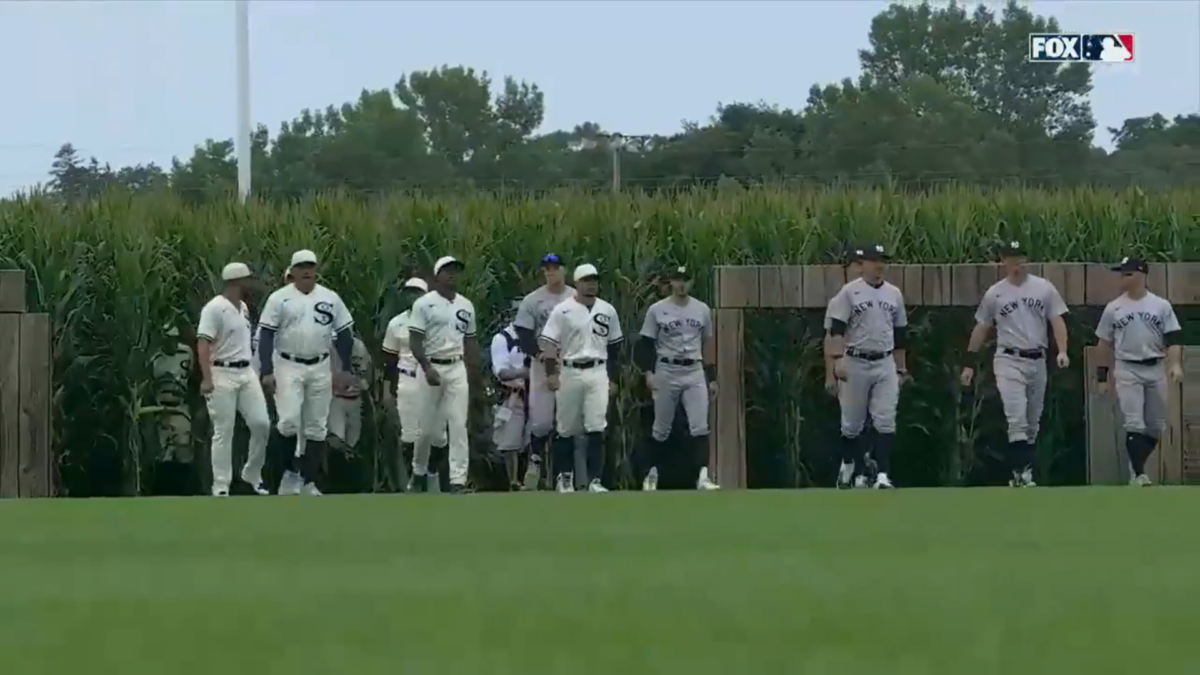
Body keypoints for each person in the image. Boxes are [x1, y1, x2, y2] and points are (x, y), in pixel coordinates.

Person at [961, 241, 1069, 488]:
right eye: (1011, 259)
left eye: (1020, 258)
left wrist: (1062, 351)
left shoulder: (1043, 288)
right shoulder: (995, 293)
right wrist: (969, 363)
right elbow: (982, 327)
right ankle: (1022, 472)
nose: (1016, 264)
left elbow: (1057, 321)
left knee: (1032, 422)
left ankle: (1021, 472)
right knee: (1017, 416)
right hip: (1008, 359)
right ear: (1003, 262)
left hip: (1037, 359)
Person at [257, 249, 357, 497]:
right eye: (301, 267)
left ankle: (310, 481)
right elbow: (266, 335)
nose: (306, 271)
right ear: (292, 271)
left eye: (310, 266)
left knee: (316, 426)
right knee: (289, 421)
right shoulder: (279, 298)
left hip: (320, 365)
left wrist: (344, 369)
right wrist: (267, 371)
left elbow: (345, 333)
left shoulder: (330, 298)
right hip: (288, 363)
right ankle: (288, 474)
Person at [1095, 256, 1184, 486]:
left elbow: (1173, 338)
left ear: (1142, 275)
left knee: (1155, 426)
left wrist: (1175, 364)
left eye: (1128, 273)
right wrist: (1102, 376)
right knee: (1134, 422)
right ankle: (1138, 474)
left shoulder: (1160, 305)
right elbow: (1103, 344)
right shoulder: (1114, 308)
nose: (1123, 278)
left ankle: (1137, 467)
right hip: (1127, 367)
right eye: (1122, 273)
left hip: (1155, 366)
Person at [825, 243, 908, 489]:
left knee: (885, 419)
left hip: (884, 360)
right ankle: (848, 462)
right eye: (874, 261)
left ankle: (882, 475)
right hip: (855, 360)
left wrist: (901, 368)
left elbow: (901, 333)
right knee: (851, 423)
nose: (879, 265)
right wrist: (838, 360)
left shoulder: (894, 293)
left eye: (882, 261)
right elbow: (836, 329)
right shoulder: (850, 292)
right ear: (864, 265)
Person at [539, 263, 624, 493]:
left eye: (594, 280)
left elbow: (615, 348)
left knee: (596, 425)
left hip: (598, 369)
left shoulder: (607, 310)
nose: (591, 284)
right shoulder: (563, 310)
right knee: (566, 427)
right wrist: (551, 373)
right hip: (570, 370)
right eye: (586, 280)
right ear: (576, 283)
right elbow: (549, 343)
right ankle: (564, 478)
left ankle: (595, 480)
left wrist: (613, 379)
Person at [635, 265, 719, 491]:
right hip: (667, 369)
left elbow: (707, 343)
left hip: (693, 369)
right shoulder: (657, 309)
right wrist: (648, 373)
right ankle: (651, 474)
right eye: (677, 279)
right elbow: (645, 344)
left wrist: (711, 377)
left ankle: (703, 476)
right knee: (661, 427)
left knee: (699, 426)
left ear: (691, 282)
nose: (682, 284)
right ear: (670, 282)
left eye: (686, 280)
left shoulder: (701, 309)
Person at [196, 262, 271, 496]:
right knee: (223, 430)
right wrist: (207, 378)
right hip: (221, 372)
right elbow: (203, 343)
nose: (251, 284)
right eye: (247, 280)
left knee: (261, 424)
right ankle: (221, 485)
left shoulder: (244, 308)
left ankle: (251, 473)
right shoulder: (214, 308)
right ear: (237, 282)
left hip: (246, 372)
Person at [407, 256, 480, 494]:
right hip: (431, 365)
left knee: (458, 425)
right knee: (426, 429)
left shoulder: (466, 305)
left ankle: (458, 480)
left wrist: (473, 373)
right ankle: (418, 471)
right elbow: (415, 341)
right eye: (447, 271)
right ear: (437, 275)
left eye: (456, 271)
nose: (452, 275)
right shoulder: (424, 304)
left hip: (456, 366)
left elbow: (470, 342)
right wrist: (427, 367)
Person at [382, 277, 451, 492]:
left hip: (432, 380)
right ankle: (415, 479)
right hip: (407, 380)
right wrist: (386, 390)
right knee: (409, 434)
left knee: (437, 435)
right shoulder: (396, 323)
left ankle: (430, 470)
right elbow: (390, 361)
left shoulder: (439, 321)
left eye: (417, 292)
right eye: (409, 292)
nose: (413, 296)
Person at [513, 253, 574, 488]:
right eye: (547, 268)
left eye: (555, 268)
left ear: (564, 270)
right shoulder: (533, 300)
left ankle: (563, 474)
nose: (551, 272)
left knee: (568, 422)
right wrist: (541, 356)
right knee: (541, 422)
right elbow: (524, 333)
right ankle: (535, 460)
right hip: (541, 363)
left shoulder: (574, 298)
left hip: (570, 362)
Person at [824, 249, 876, 488]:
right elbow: (829, 339)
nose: (857, 269)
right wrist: (830, 373)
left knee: (872, 419)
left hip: (873, 364)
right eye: (853, 265)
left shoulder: (879, 296)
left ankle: (863, 471)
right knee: (851, 421)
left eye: (860, 264)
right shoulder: (840, 299)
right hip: (847, 366)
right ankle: (849, 465)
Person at [491, 312, 532, 490]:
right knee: (510, 442)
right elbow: (502, 372)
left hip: (537, 393)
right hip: (513, 394)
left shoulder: (538, 337)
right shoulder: (503, 339)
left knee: (537, 436)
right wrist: (527, 373)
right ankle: (513, 481)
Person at [328, 331, 371, 450]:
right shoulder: (327, 346)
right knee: (337, 437)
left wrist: (364, 384)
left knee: (353, 438)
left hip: (355, 398)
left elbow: (366, 371)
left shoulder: (358, 347)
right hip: (335, 398)